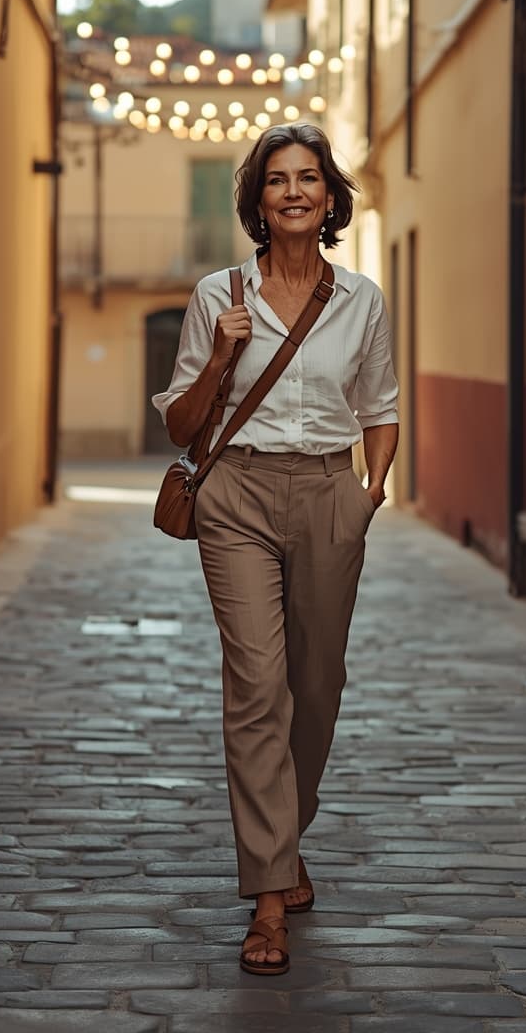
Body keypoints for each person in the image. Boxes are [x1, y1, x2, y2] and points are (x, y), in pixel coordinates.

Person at [152, 123, 398, 975]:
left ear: (330, 198)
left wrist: (368, 495)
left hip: (332, 492)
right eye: (276, 180)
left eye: (309, 179)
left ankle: (288, 836)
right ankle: (267, 898)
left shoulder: (362, 299)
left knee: (317, 681)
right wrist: (220, 356)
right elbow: (183, 427)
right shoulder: (217, 295)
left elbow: (382, 404)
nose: (293, 192)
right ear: (257, 201)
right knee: (257, 685)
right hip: (239, 497)